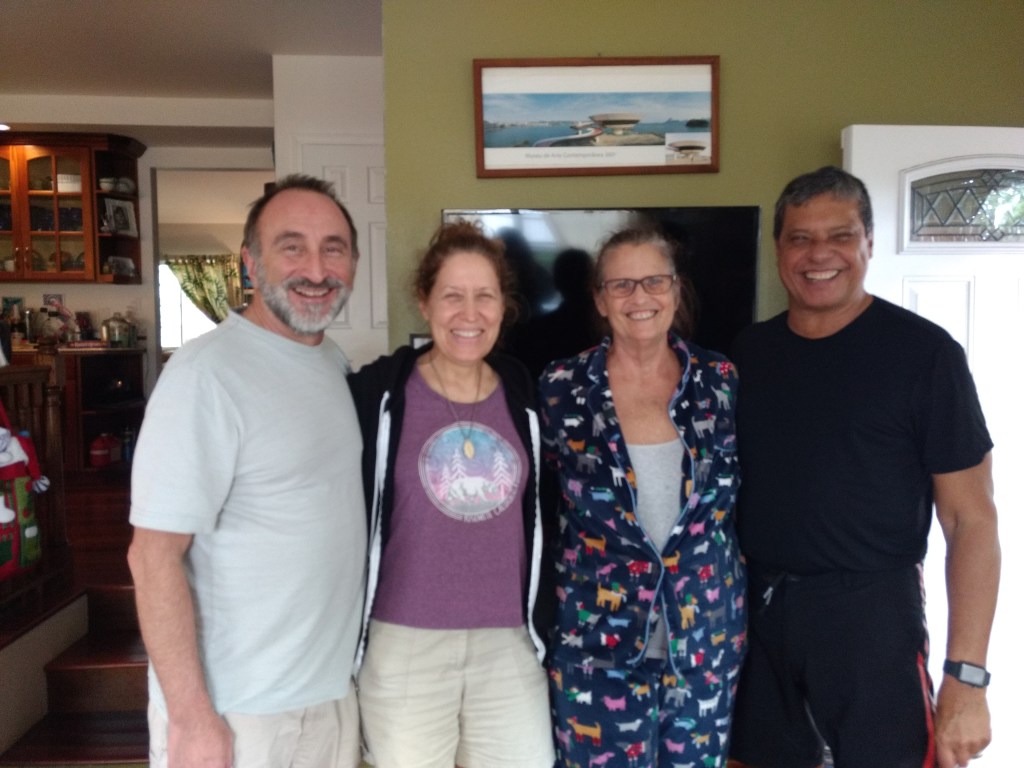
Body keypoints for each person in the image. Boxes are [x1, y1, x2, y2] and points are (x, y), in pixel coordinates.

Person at [727, 166, 1000, 768]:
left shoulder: (927, 355)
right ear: (779, 248)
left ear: (869, 243)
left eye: (841, 235)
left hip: (873, 619)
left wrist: (967, 679)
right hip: (758, 617)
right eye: (800, 238)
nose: (818, 254)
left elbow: (972, 522)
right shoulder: (748, 354)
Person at [127, 174, 367, 768]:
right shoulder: (204, 375)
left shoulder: (331, 361)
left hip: (328, 696)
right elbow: (153, 557)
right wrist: (191, 718)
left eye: (333, 248)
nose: (317, 270)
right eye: (292, 247)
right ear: (250, 264)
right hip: (238, 713)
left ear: (353, 264)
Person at [347, 221, 555, 768]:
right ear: (424, 302)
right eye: (452, 296)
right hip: (405, 646)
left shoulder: (525, 393)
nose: (470, 313)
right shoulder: (378, 394)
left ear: (504, 306)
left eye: (484, 295)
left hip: (508, 644)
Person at [540, 227, 746, 768]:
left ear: (676, 290)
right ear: (600, 299)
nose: (640, 297)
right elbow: (539, 506)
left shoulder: (720, 381)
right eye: (622, 284)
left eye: (654, 281)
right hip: (593, 644)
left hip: (702, 640)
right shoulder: (560, 388)